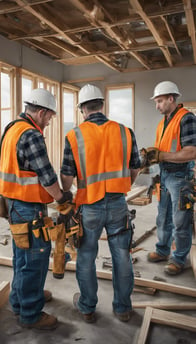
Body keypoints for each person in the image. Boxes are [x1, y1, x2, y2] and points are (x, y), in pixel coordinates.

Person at [60, 84, 141, 323]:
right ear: (101, 105)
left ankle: (87, 307)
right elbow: (135, 167)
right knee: (122, 256)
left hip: (89, 205)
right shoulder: (125, 131)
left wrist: (67, 194)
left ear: (82, 108)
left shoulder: (74, 135)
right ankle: (123, 308)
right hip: (118, 203)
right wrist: (123, 186)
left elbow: (66, 176)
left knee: (86, 256)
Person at [0, 88, 72, 330]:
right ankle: (30, 312)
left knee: (21, 255)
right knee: (36, 258)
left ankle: (20, 299)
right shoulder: (31, 135)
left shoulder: (12, 128)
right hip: (28, 206)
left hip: (12, 203)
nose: (49, 121)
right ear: (40, 112)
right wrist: (62, 198)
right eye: (49, 116)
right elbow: (47, 176)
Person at [145, 81, 196, 275]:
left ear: (171, 99)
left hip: (181, 177)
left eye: (159, 101)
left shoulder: (187, 119)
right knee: (163, 216)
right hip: (165, 175)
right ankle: (162, 250)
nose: (157, 105)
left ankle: (179, 259)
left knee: (180, 220)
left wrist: (161, 156)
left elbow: (192, 152)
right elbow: (162, 150)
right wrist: (150, 159)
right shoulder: (163, 122)